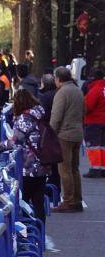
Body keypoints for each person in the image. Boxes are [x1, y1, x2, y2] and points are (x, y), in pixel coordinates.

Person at [0, 90, 49, 226]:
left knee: (22, 200)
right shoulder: (40, 114)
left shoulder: (24, 118)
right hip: (44, 161)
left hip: (29, 165)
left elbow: (16, 141)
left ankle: (25, 231)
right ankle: (40, 233)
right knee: (38, 202)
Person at [50, 66, 85, 212]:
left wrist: (51, 133)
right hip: (77, 133)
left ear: (58, 79)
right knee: (74, 169)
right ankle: (77, 199)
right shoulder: (78, 90)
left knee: (64, 170)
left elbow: (56, 116)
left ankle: (68, 201)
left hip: (64, 134)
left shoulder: (62, 92)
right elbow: (84, 111)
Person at [83, 68, 105, 178]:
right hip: (103, 121)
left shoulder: (95, 89)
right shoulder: (103, 88)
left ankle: (95, 169)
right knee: (102, 146)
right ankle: (103, 168)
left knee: (94, 146)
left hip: (94, 122)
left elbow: (87, 106)